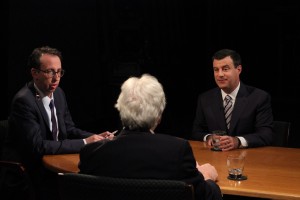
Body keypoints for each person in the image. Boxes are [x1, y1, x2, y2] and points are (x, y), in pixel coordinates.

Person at [79, 74, 223, 200]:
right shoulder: (177, 152)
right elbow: (205, 195)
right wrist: (207, 178)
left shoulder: (90, 153)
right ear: (158, 116)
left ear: (121, 110)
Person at [2, 46, 114, 200]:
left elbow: (68, 128)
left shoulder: (59, 93)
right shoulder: (24, 101)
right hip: (29, 173)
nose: (56, 78)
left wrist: (95, 137)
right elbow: (38, 146)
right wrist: (85, 142)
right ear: (35, 73)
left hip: (52, 165)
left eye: (59, 71)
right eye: (50, 72)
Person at [191, 49, 273, 150]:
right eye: (216, 70)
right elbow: (196, 132)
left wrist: (237, 141)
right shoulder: (205, 98)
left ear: (238, 69)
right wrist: (209, 137)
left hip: (247, 159)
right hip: (215, 158)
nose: (220, 74)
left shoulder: (259, 97)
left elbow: (266, 135)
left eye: (225, 69)